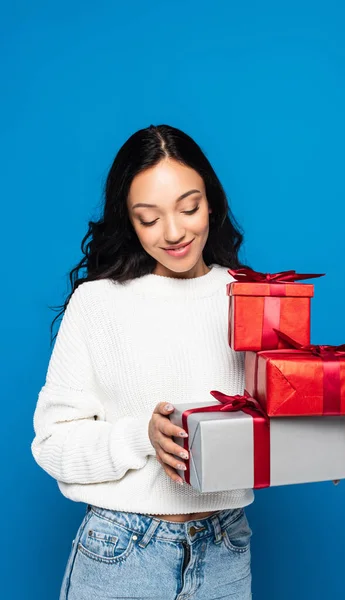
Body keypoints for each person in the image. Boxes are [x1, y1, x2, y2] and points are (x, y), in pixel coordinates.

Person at [31, 124, 255, 600]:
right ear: (128, 222)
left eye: (189, 208)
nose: (174, 232)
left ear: (210, 202)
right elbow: (51, 443)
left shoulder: (249, 296)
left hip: (226, 547)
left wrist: (312, 439)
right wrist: (142, 437)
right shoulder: (98, 304)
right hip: (123, 554)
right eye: (149, 218)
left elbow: (269, 414)